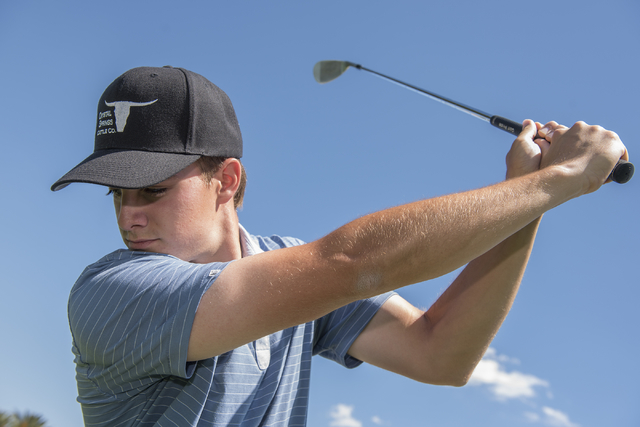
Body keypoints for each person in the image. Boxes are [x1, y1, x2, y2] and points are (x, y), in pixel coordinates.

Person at [51, 66, 628, 427]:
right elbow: (348, 265)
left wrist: (529, 196)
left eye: (152, 189)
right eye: (116, 193)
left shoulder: (286, 270)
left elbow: (442, 354)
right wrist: (561, 179)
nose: (130, 214)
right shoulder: (112, 290)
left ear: (225, 181)